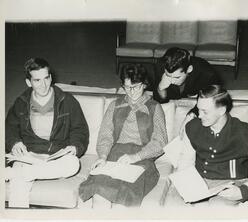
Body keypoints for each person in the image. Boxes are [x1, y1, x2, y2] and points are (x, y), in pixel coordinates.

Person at [79, 63, 168, 208]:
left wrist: (135, 157)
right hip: (115, 156)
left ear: (145, 84)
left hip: (142, 158)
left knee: (125, 199)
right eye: (127, 87)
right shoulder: (115, 105)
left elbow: (160, 142)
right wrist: (102, 156)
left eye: (136, 87)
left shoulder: (155, 108)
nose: (131, 92)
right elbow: (105, 135)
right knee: (99, 194)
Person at [5, 58, 89, 208]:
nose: (43, 85)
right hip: (29, 155)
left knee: (74, 164)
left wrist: (75, 146)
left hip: (56, 155)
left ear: (51, 77)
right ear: (28, 82)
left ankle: (17, 173)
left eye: (46, 78)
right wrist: (15, 142)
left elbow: (80, 129)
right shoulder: (21, 102)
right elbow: (10, 127)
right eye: (37, 80)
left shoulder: (67, 101)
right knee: (17, 188)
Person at [165, 85, 248, 206]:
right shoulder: (192, 127)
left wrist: (244, 191)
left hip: (231, 184)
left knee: (217, 208)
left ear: (222, 110)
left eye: (205, 111)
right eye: (198, 109)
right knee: (172, 202)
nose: (199, 115)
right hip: (199, 181)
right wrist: (182, 183)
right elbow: (186, 160)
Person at [153, 47, 221, 104]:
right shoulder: (160, 67)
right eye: (168, 75)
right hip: (175, 99)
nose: (171, 81)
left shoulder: (207, 73)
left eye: (177, 77)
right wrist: (161, 88)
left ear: (189, 69)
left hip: (197, 97)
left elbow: (209, 101)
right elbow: (158, 101)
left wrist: (193, 113)